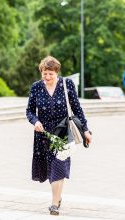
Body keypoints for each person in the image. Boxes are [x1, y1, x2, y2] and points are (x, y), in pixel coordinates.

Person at [26, 56, 92, 215]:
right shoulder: (36, 87)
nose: (47, 77)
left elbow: (77, 108)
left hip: (62, 131)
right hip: (43, 134)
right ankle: (58, 196)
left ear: (57, 72)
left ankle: (54, 203)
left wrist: (85, 129)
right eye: (44, 74)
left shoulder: (66, 84)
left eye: (50, 74)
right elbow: (29, 110)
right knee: (50, 167)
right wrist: (35, 121)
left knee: (58, 165)